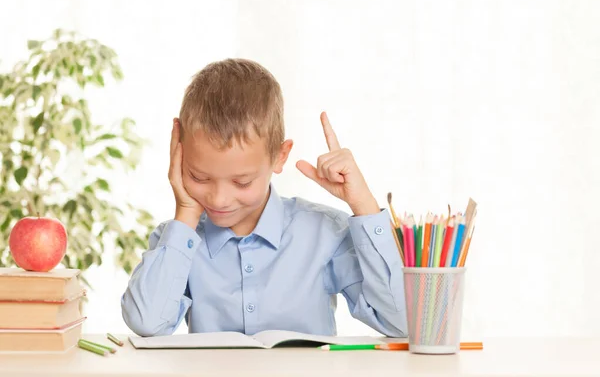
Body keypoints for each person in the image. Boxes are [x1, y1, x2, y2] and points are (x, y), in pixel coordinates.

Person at [121, 58, 407, 337]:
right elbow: (146, 323)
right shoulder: (178, 240)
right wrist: (185, 213)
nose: (219, 199)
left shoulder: (325, 232)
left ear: (279, 156)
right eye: (199, 177)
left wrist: (363, 204)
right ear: (179, 152)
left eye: (242, 182)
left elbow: (402, 322)